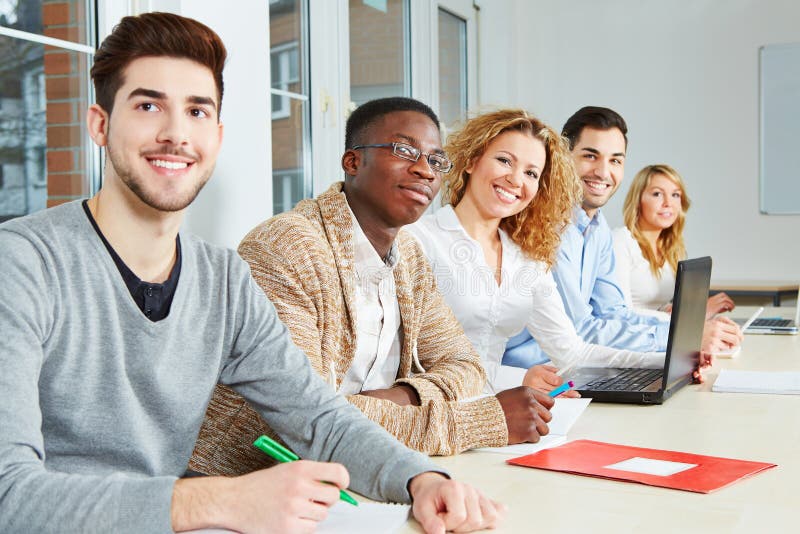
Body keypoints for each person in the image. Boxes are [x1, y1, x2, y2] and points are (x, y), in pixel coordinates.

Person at [0, 13, 505, 533]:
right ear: (100, 124)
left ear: (216, 136)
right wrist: (215, 501)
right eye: (148, 106)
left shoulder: (222, 278)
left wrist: (422, 480)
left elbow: (320, 420)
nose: (176, 133)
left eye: (197, 111)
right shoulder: (22, 262)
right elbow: (9, 495)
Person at [191, 98, 554, 466]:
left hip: (357, 471)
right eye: (404, 150)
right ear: (353, 161)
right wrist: (480, 421)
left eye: (435, 160)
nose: (425, 171)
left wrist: (392, 399)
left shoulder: (408, 255)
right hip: (248, 481)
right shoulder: (288, 247)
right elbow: (304, 424)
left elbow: (465, 365)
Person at [406, 109, 663, 395]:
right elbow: (413, 366)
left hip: (503, 415)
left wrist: (667, 363)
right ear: (472, 160)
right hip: (436, 416)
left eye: (531, 173)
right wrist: (516, 382)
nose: (516, 180)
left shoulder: (526, 258)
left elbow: (572, 353)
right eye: (504, 160)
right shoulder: (418, 240)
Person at [503, 106, 742, 370]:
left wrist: (689, 331)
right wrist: (682, 339)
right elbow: (579, 329)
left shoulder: (598, 228)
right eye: (590, 156)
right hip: (525, 375)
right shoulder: (547, 226)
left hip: (576, 367)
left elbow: (613, 313)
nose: (603, 172)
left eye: (615, 160)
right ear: (562, 157)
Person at [613, 164, 735, 320]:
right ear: (638, 200)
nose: (668, 203)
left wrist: (676, 310)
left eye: (675, 195)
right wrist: (693, 314)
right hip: (631, 339)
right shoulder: (621, 241)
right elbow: (621, 314)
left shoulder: (672, 249)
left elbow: (657, 307)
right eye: (657, 194)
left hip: (658, 334)